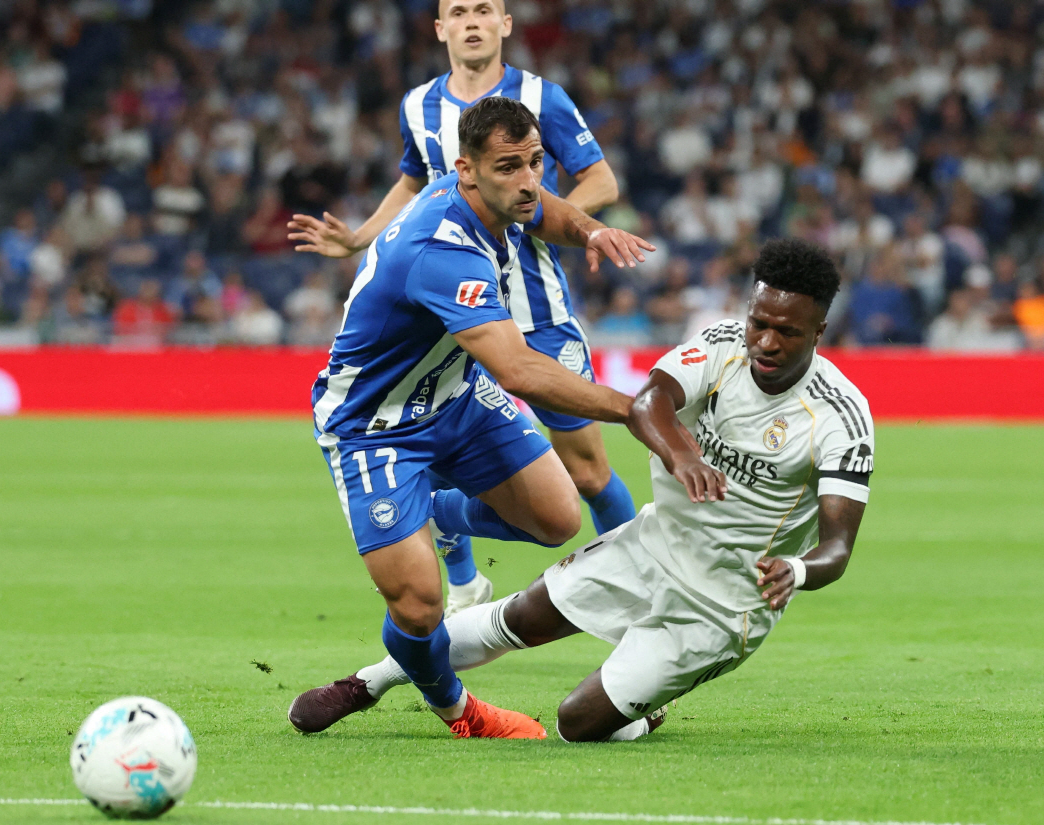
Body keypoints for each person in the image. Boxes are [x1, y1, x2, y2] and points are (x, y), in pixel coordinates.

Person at [291, 239, 874, 743]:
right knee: (516, 618)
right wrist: (682, 454)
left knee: (576, 723)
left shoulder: (841, 416)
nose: (765, 343)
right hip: (653, 545)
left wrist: (796, 572)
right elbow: (649, 401)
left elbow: (838, 549)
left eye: (786, 332)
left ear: (820, 331)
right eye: (759, 323)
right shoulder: (722, 345)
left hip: (723, 603)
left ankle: (646, 706)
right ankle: (367, 682)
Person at [288, 98, 654, 740]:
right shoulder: (441, 247)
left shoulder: (499, 194)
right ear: (466, 169)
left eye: (536, 162)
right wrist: (634, 408)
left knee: (558, 517)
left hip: (454, 397)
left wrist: (591, 231)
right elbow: (516, 369)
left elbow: (548, 209)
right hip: (375, 426)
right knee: (421, 604)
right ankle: (461, 711)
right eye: (510, 166)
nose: (527, 179)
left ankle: (440, 511)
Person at [287, 0, 634, 618]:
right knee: (443, 416)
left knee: (585, 472)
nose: (472, 21)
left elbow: (601, 181)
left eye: (485, 10)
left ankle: (636, 581)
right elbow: (417, 183)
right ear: (441, 27)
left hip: (534, 302)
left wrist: (538, 218)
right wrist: (362, 236)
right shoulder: (417, 105)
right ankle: (467, 582)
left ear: (505, 24)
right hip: (457, 301)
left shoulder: (539, 96)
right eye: (458, 11)